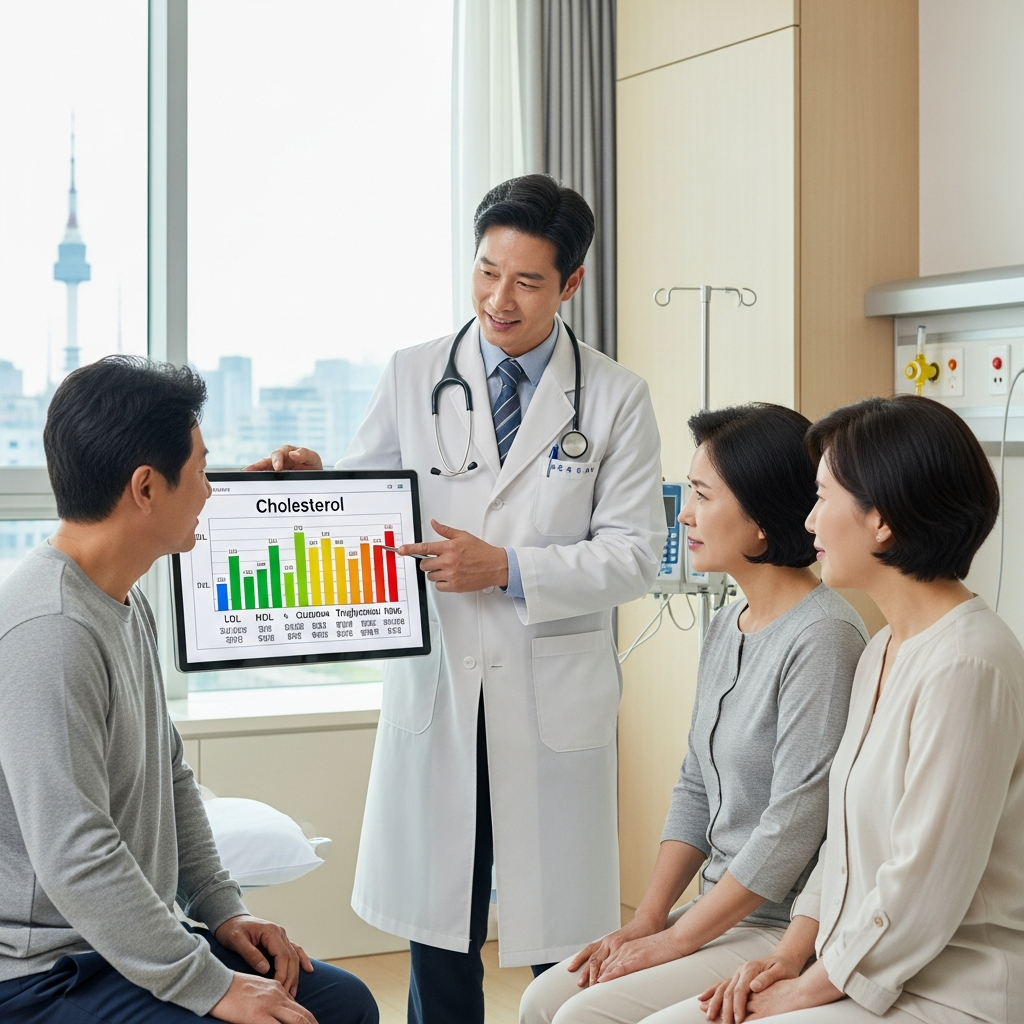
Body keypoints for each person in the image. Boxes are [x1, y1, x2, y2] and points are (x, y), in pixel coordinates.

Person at [247, 174, 665, 1024]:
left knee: (560, 942)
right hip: (442, 683)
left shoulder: (617, 397)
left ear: (572, 284)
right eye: (484, 272)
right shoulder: (412, 375)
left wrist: (507, 568)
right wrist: (313, 486)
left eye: (526, 281)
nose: (498, 300)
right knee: (443, 928)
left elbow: (632, 558)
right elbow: (370, 508)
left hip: (551, 695)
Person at [0, 357, 377, 1024]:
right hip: (48, 973)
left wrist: (225, 910)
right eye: (202, 468)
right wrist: (210, 983)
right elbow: (76, 855)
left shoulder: (119, 600)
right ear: (147, 488)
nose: (209, 489)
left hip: (127, 946)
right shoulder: (50, 630)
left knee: (343, 1003)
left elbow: (171, 778)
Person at [519, 403, 868, 1024]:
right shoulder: (726, 623)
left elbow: (793, 825)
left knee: (583, 1016)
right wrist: (648, 920)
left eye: (702, 496)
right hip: (720, 908)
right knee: (544, 998)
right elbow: (693, 785)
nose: (683, 514)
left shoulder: (824, 636)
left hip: (782, 927)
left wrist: (677, 941)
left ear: (760, 519)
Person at [692, 395, 1024, 1024]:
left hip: (950, 987)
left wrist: (813, 986)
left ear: (883, 520)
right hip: (863, 968)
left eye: (823, 498)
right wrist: (794, 958)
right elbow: (841, 847)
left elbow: (924, 883)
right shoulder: (881, 650)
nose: (809, 522)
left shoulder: (969, 665)